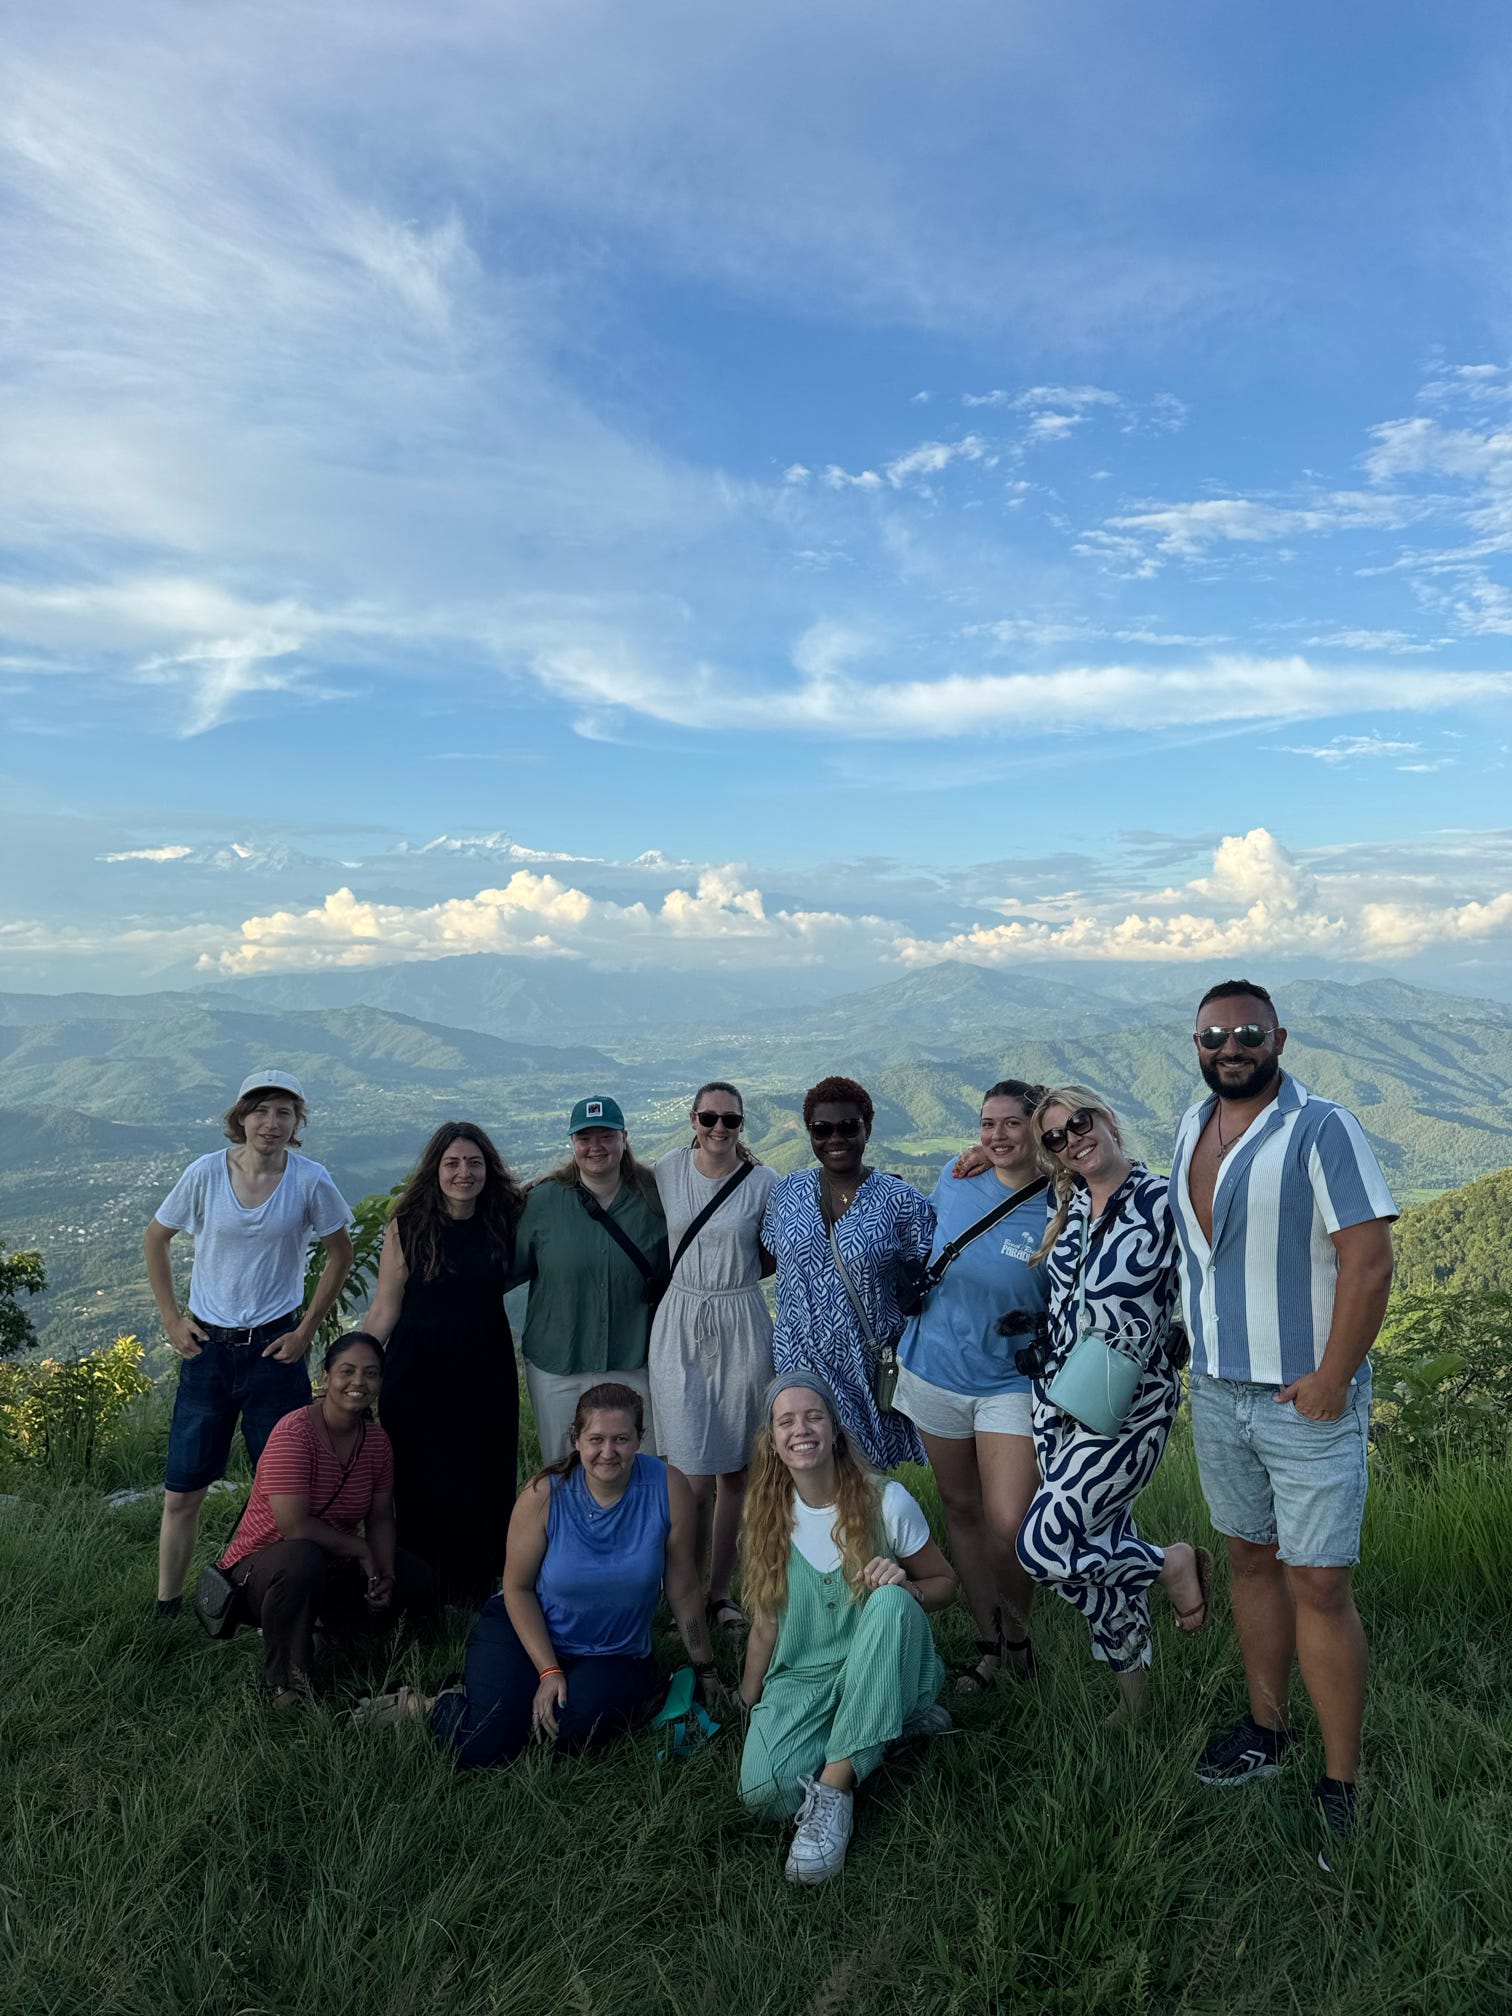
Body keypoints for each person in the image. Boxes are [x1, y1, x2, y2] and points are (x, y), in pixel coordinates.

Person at [1168, 980, 1396, 1859]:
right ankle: (1267, 1732)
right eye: (1215, 1033)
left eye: (1248, 1033)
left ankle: (1342, 1781)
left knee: (1320, 1585)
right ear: (1195, 1043)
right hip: (1218, 1390)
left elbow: (1369, 1262)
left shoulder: (1322, 1127)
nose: (1232, 1046)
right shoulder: (1193, 1123)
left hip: (1303, 1397)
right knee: (1249, 1560)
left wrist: (1335, 1377)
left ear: (1278, 1038)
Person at [1015, 1086, 1211, 1724]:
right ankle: (1134, 1706)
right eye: (1055, 1137)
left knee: (1045, 1548)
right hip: (1057, 1400)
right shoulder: (1068, 1208)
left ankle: (1171, 1564)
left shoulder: (1160, 1199)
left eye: (1080, 1122)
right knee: (1093, 1550)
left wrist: (1179, 1333)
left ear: (1107, 1119)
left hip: (1130, 1406)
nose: (1072, 1138)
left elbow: (1207, 1280)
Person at [408, 1383, 721, 1765]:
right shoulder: (543, 1495)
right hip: (530, 1630)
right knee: (483, 1745)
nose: (608, 1452)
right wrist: (548, 1669)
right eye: (596, 1439)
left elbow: (684, 1587)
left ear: (641, 1438)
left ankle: (505, 1699)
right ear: (576, 1438)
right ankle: (434, 1703)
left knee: (566, 1733)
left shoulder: (668, 1489)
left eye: (622, 1439)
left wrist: (705, 1668)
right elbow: (517, 1588)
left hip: (615, 1653)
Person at [146, 1070, 354, 1617]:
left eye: (284, 1112)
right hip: (207, 1352)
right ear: (240, 1117)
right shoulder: (206, 1174)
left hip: (273, 1353)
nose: (272, 1122)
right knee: (183, 1488)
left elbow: (340, 1253)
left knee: (287, 1497)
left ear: (297, 1123)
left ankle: (272, 1602)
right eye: (261, 1110)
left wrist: (306, 1329)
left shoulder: (310, 1179)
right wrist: (172, 1320)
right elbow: (156, 1238)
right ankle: (168, 1605)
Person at [738, 1374, 956, 1885]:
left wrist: (908, 1587)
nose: (801, 1429)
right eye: (785, 1421)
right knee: (763, 1793)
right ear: (773, 1442)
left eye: (813, 1415)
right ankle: (884, 1733)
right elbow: (766, 1626)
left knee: (890, 1603)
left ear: (835, 1427)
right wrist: (746, 1700)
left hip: (879, 1656)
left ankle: (834, 1793)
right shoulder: (767, 1517)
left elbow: (947, 1585)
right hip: (806, 1677)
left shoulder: (887, 1500)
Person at [896, 1079, 1051, 1689]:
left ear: (1038, 1129)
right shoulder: (956, 1178)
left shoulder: (1063, 1202)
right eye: (988, 1124)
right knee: (960, 1506)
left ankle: (1018, 1633)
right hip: (936, 1365)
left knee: (1010, 1520)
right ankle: (988, 1643)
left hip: (1010, 1379)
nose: (996, 1136)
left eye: (1012, 1124)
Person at [221, 1331, 436, 1705]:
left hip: (332, 1562)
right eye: (347, 1371)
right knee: (301, 1559)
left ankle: (350, 1639)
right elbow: (294, 1527)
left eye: (370, 1374)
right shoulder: (294, 1433)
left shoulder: (376, 1442)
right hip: (262, 1570)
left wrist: (382, 1574)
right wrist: (361, 1550)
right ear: (326, 1376)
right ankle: (287, 1684)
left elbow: (381, 1517)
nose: (358, 1382)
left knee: (416, 1577)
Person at [363, 1121, 525, 1605]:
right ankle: (420, 1589)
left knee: (486, 1476)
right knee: (418, 1482)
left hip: (485, 1370)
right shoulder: (408, 1225)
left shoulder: (504, 1218)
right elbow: (385, 1307)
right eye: (452, 1163)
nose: (463, 1173)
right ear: (435, 1168)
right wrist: (357, 1369)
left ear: (488, 1168)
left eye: (474, 1163)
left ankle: (476, 1589)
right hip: (416, 1373)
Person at [649, 1081, 777, 1632]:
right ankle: (683, 1590)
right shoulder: (666, 1170)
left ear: (742, 1124)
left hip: (741, 1320)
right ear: (693, 1119)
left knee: (737, 1471)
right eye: (709, 1118)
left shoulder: (764, 1182)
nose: (719, 1129)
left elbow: (778, 1248)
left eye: (730, 1120)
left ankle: (720, 1593)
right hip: (680, 1321)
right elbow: (600, 1177)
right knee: (687, 1473)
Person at [762, 1076, 935, 1471]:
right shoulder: (787, 1191)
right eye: (822, 1129)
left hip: (866, 1362)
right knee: (807, 1469)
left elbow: (927, 1277)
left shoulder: (901, 1201)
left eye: (848, 1127)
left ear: (867, 1129)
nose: (834, 1138)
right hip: (798, 1358)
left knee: (865, 1478)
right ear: (809, 1132)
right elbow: (770, 1252)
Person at [509, 1097, 669, 1464]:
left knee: (638, 1465)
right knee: (562, 1467)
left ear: (624, 1138)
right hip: (557, 1362)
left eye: (606, 1136)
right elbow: (506, 1270)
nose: (595, 1147)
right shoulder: (542, 1202)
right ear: (572, 1143)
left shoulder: (654, 1199)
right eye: (584, 1138)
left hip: (633, 1358)